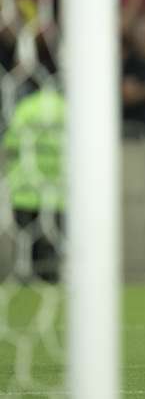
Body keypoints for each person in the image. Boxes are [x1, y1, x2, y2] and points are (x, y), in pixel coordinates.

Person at [2, 82, 65, 283]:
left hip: (25, 189)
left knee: (27, 241)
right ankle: (50, 276)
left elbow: (11, 143)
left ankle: (27, 277)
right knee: (52, 239)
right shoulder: (66, 108)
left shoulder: (26, 108)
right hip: (57, 189)